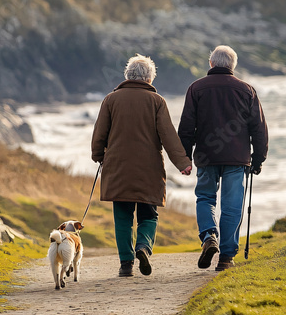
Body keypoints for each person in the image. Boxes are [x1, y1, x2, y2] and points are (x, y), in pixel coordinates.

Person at [92, 54, 193, 277]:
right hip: (149, 169)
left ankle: (126, 264)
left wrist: (98, 155)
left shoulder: (111, 100)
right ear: (149, 78)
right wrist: (183, 163)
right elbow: (168, 136)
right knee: (149, 214)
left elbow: (99, 133)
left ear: (128, 75)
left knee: (123, 217)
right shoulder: (157, 102)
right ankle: (143, 247)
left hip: (118, 168)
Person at [177, 45, 268, 272]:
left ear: (211, 64)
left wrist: (184, 158)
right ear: (233, 66)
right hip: (237, 158)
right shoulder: (247, 90)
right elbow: (259, 129)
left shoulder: (196, 88)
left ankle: (209, 235)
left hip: (206, 156)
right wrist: (258, 159)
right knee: (232, 206)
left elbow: (186, 127)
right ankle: (226, 257)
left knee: (205, 198)